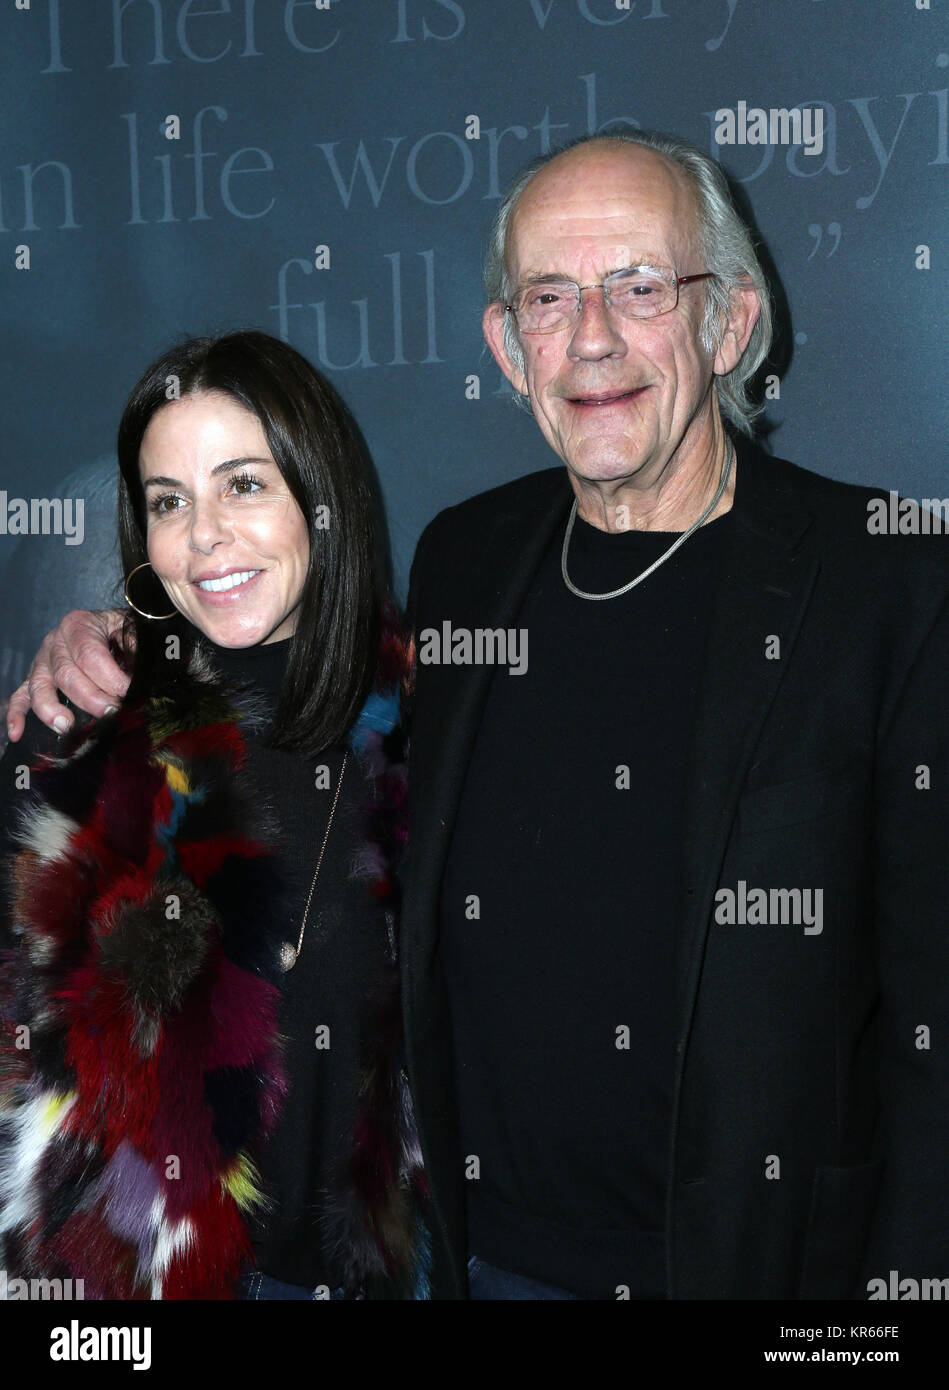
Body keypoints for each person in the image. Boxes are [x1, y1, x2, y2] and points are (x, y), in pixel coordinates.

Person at [9, 131, 949, 1302]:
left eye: (640, 287)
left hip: (758, 1273)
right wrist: (100, 648)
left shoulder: (886, 579)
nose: (591, 336)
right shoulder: (470, 557)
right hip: (473, 1262)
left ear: (731, 322)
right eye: (549, 298)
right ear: (508, 347)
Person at [0, 330, 429, 1300]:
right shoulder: (75, 736)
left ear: (323, 499)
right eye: (167, 502)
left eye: (243, 485)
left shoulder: (429, 734)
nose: (202, 536)